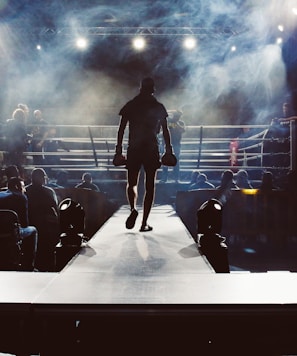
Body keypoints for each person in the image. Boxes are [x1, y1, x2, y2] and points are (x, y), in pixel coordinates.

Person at [115, 77, 173, 232]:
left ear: (140, 88)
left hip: (134, 148)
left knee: (132, 183)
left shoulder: (131, 105)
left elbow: (121, 130)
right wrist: (169, 150)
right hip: (151, 148)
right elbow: (165, 131)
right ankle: (143, 223)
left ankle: (133, 208)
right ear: (153, 89)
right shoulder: (158, 107)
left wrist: (118, 150)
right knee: (150, 186)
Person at [25, 168, 60, 271]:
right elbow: (55, 208)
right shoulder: (48, 192)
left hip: (29, 224)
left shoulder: (26, 191)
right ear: (42, 178)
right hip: (45, 227)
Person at [0, 177, 38, 271]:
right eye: (23, 187)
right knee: (33, 230)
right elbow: (25, 224)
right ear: (17, 186)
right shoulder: (21, 197)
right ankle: (29, 265)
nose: (24, 190)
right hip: (12, 233)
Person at [160, 109, 185, 183]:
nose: (178, 117)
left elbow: (182, 130)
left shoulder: (181, 123)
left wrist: (175, 122)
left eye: (179, 116)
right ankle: (164, 178)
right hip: (167, 144)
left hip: (176, 143)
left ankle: (176, 178)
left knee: (176, 161)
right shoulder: (169, 122)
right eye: (177, 115)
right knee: (165, 160)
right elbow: (167, 128)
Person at [4, 108, 30, 175]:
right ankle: (19, 177)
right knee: (19, 163)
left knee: (10, 163)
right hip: (19, 146)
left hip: (10, 145)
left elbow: (6, 133)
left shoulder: (9, 122)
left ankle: (10, 177)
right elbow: (24, 135)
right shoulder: (22, 125)